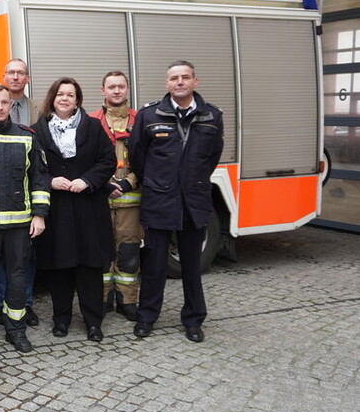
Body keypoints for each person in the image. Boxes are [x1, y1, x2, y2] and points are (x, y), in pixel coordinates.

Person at [129, 60, 224, 343]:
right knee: (155, 264)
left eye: (185, 77)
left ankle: (193, 319)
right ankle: (147, 317)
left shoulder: (212, 116)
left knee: (191, 265)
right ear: (167, 84)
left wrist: (191, 181)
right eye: (174, 78)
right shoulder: (149, 116)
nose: (179, 82)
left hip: (193, 201)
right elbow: (138, 155)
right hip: (159, 200)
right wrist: (159, 182)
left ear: (196, 81)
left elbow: (212, 156)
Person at [0, 83, 50, 354]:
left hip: (20, 223)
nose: (0, 107)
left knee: (17, 276)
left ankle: (16, 330)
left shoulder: (28, 136)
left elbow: (39, 178)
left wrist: (39, 215)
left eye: (5, 103)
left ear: (11, 106)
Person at [32, 77, 116, 341]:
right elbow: (32, 168)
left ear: (77, 100)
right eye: (60, 94)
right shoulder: (38, 131)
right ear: (52, 99)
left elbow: (108, 160)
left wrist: (87, 180)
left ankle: (93, 322)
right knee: (60, 268)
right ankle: (61, 320)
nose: (65, 99)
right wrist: (50, 180)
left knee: (90, 268)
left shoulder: (92, 127)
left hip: (89, 208)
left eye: (70, 94)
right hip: (56, 210)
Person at [90, 71, 142, 322]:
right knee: (101, 253)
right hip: (99, 200)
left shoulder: (140, 121)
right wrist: (104, 183)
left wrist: (129, 182)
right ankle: (101, 299)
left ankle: (128, 300)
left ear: (127, 89)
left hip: (130, 201)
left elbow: (147, 159)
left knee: (129, 253)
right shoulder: (90, 121)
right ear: (103, 90)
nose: (116, 91)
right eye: (111, 86)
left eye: (121, 86)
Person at [0, 59, 43, 326]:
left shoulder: (38, 109)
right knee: (1, 255)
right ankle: (2, 303)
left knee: (26, 256)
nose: (15, 77)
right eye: (10, 72)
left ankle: (25, 303)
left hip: (26, 190)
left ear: (27, 78)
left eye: (20, 73)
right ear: (3, 76)